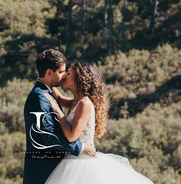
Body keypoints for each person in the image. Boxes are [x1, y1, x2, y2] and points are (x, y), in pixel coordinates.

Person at [43, 60, 154, 184]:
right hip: (71, 159)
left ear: (79, 78)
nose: (64, 76)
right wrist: (47, 78)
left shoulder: (85, 104)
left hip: (82, 163)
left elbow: (71, 136)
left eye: (68, 73)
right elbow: (59, 98)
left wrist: (58, 111)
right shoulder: (76, 102)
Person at [23, 49, 96, 184]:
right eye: (61, 72)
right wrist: (80, 147)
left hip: (61, 168)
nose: (63, 76)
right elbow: (47, 135)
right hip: (42, 171)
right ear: (50, 72)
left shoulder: (47, 93)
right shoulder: (39, 97)